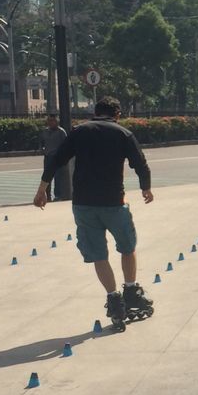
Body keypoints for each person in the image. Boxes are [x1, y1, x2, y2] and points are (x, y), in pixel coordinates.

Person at [34, 96, 154, 328]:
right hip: (113, 203)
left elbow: (55, 161)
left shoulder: (78, 132)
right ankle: (130, 291)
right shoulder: (122, 133)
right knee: (127, 247)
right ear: (117, 114)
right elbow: (140, 164)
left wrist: (42, 190)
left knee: (99, 255)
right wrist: (146, 188)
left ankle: (113, 298)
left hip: (83, 205)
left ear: (95, 112)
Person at [38, 113, 69, 200]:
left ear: (57, 121)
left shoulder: (61, 132)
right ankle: (47, 196)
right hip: (47, 157)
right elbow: (41, 142)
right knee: (47, 177)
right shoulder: (45, 131)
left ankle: (58, 196)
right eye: (49, 120)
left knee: (58, 177)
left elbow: (66, 144)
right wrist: (41, 149)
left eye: (53, 120)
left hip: (57, 158)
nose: (51, 122)